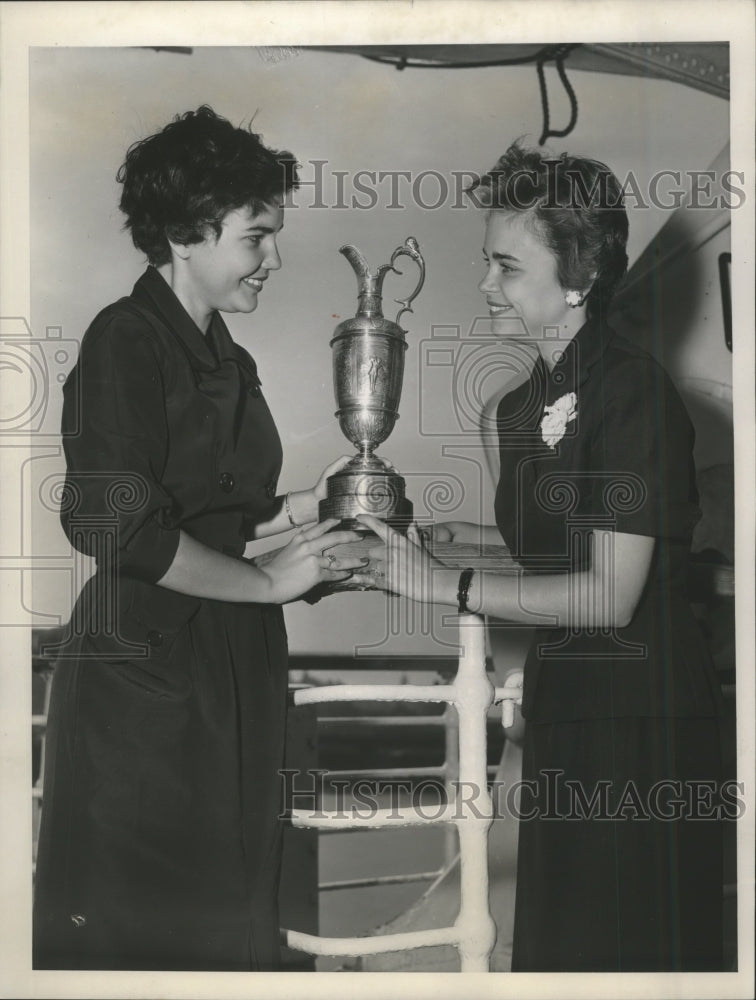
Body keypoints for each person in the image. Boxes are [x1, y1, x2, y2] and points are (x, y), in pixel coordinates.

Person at [360, 141, 725, 971]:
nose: (485, 285)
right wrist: (434, 545)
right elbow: (555, 551)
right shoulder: (519, 407)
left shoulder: (631, 392)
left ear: (580, 277)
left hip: (644, 720)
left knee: (627, 958)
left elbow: (609, 594)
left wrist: (447, 583)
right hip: (567, 707)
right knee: (563, 955)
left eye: (506, 266)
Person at [33, 106, 367, 972]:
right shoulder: (124, 339)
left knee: (236, 907)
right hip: (141, 676)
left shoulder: (227, 355)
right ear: (187, 234)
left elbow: (213, 512)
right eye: (258, 237)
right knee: (147, 930)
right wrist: (267, 583)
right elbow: (116, 522)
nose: (275, 257)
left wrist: (308, 510)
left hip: (231, 664)